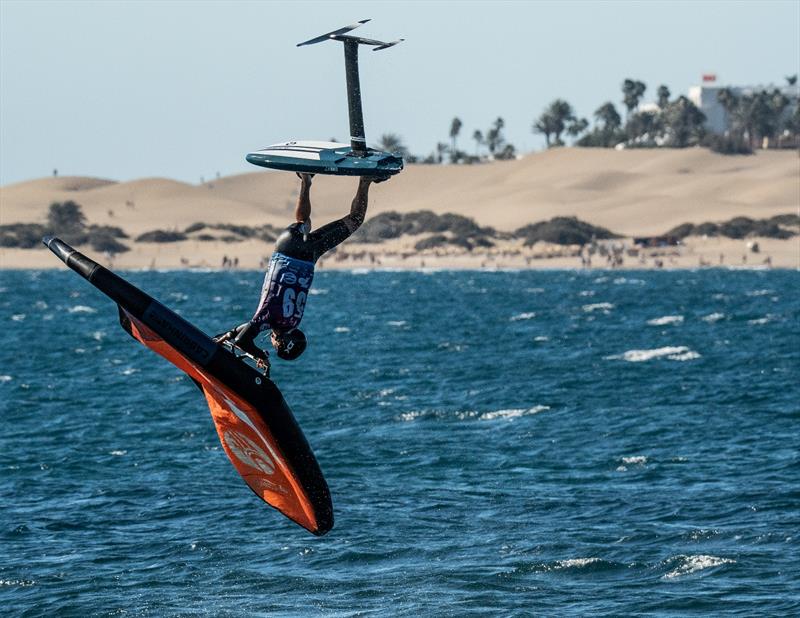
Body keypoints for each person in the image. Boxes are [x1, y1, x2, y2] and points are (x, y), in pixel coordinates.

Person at [215, 172, 386, 365]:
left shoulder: (292, 321)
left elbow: (247, 332)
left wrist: (229, 334)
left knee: (346, 220)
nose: (269, 341)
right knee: (304, 223)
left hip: (308, 254)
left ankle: (358, 181)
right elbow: (243, 340)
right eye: (273, 345)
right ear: (280, 342)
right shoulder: (270, 318)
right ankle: (306, 180)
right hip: (286, 249)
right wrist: (260, 356)